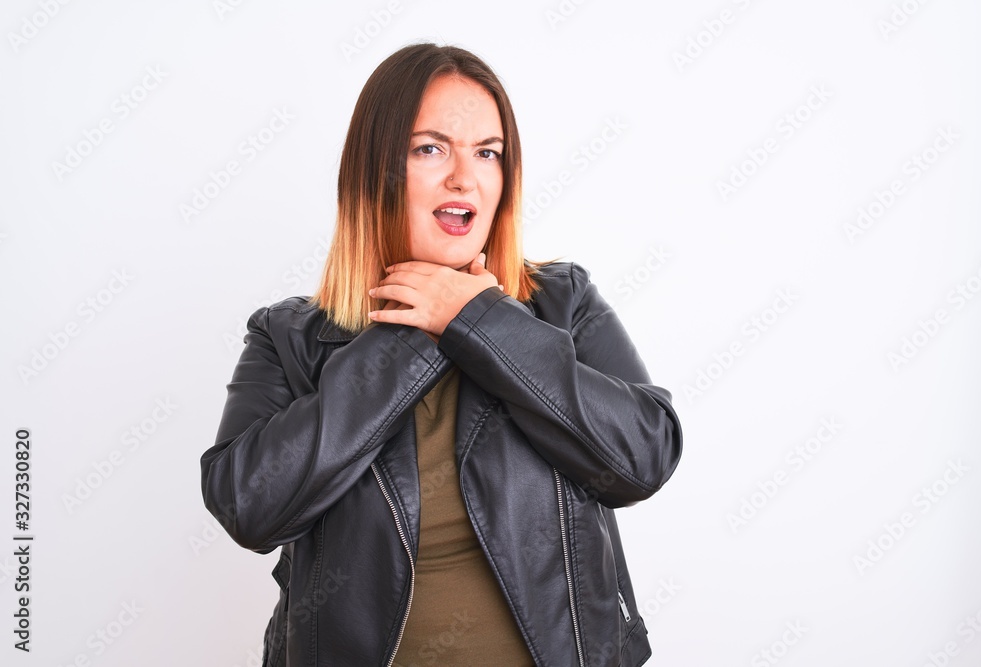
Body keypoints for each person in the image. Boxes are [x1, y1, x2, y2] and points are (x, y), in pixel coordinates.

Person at [200, 42, 682, 667]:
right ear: (376, 171)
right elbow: (249, 506)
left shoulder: (561, 299)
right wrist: (417, 333)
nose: (465, 176)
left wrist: (479, 320)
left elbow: (644, 456)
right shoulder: (289, 335)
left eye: (488, 153)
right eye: (431, 149)